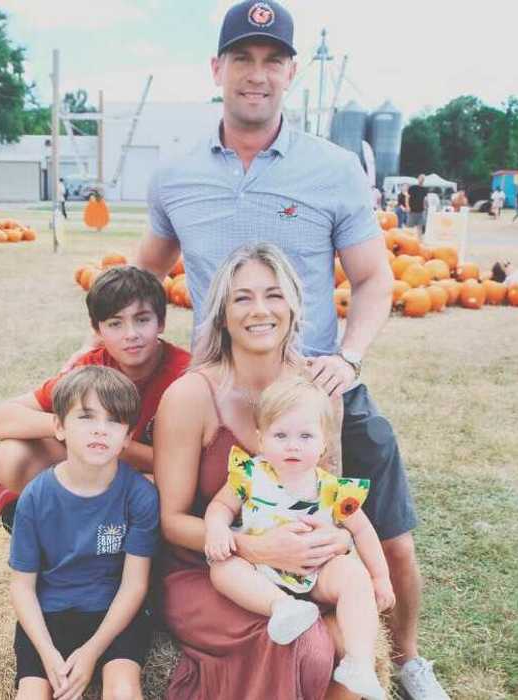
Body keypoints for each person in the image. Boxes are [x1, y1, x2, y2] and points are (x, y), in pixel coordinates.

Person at [135, 2, 446, 696]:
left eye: (271, 60)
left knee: (385, 535)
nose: (256, 74)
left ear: (291, 73)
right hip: (221, 384)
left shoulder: (332, 169)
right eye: (241, 59)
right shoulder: (176, 173)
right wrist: (110, 356)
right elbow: (143, 278)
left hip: (317, 386)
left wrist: (350, 357)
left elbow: (372, 280)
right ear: (215, 70)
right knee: (220, 516)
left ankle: (409, 658)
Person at [156, 243, 352, 698]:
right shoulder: (191, 395)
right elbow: (170, 522)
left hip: (300, 565)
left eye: (273, 294)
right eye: (242, 297)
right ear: (222, 314)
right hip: (207, 568)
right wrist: (255, 548)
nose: (259, 310)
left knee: (350, 644)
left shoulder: (319, 391)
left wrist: (339, 538)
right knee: (308, 646)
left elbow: (333, 497)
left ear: (294, 306)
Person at [204, 376, 393, 700]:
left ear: (323, 443)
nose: (293, 445)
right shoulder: (249, 475)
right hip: (260, 573)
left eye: (305, 436)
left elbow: (362, 530)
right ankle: (283, 607)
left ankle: (359, 663)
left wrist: (380, 577)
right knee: (221, 568)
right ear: (262, 440)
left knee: (353, 575)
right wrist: (218, 528)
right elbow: (220, 506)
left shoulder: (332, 488)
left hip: (316, 573)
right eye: (281, 435)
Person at [0, 267, 190, 527]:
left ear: (160, 322)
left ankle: (80, 518)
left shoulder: (186, 375)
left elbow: (190, 466)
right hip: (100, 469)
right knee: (12, 456)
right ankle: (68, 516)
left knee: (165, 490)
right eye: (115, 323)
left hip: (156, 476)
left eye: (142, 319)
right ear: (98, 330)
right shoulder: (90, 369)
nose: (131, 334)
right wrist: (71, 428)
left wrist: (120, 447)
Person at [9, 366, 159, 700]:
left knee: (122, 690)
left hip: (114, 614)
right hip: (50, 614)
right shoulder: (35, 496)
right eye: (86, 417)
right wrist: (48, 654)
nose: (100, 431)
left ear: (129, 436)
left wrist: (91, 652)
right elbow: (22, 585)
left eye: (114, 420)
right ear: (59, 427)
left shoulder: (140, 496)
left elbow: (135, 584)